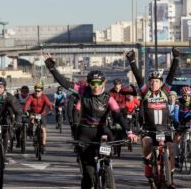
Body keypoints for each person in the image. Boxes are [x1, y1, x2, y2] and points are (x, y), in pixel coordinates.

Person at [44, 54, 137, 188]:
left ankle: (106, 168)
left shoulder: (109, 98)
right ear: (89, 83)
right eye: (92, 83)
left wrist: (129, 132)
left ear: (103, 83)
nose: (95, 86)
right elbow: (64, 83)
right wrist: (51, 67)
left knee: (107, 154)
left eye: (98, 83)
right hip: (85, 132)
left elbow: (118, 116)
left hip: (102, 131)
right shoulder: (82, 91)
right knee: (88, 176)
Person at [126, 48, 179, 188]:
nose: (153, 83)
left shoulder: (165, 92)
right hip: (149, 130)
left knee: (172, 148)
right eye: (152, 81)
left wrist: (176, 58)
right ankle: (149, 167)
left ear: (161, 83)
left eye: (156, 81)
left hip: (165, 129)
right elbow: (138, 78)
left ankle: (170, 178)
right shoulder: (145, 93)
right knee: (148, 143)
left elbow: (171, 75)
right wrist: (132, 61)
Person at [24, 83, 53, 153]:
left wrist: (51, 110)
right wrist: (25, 111)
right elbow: (27, 104)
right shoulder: (31, 97)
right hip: (33, 113)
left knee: (43, 130)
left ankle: (43, 145)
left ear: (42, 91)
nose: (37, 92)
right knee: (31, 120)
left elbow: (49, 104)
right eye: (36, 91)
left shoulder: (44, 97)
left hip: (42, 114)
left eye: (39, 91)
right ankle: (30, 131)